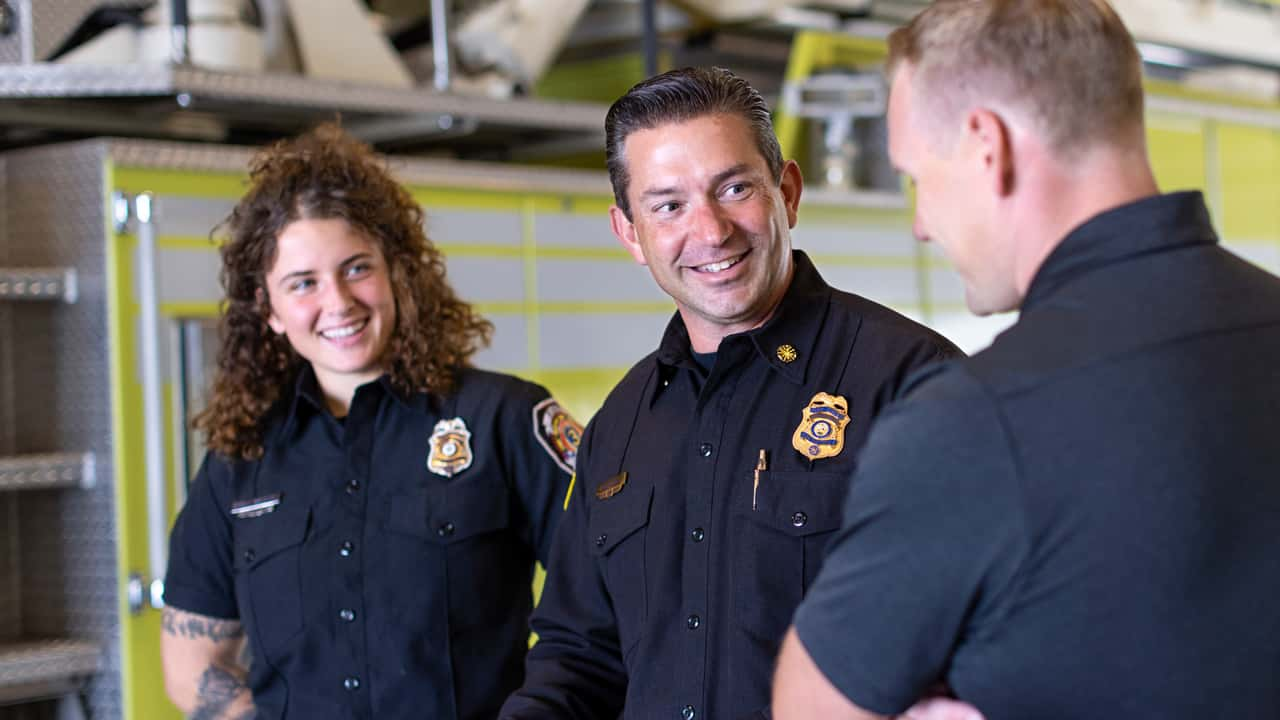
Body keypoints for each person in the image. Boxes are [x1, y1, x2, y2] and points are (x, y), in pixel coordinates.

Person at [773, 0, 1280, 718]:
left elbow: (812, 710)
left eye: (917, 177)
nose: (920, 225)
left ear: (988, 145)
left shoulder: (971, 423)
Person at [499, 66, 963, 720]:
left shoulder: (915, 382)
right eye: (668, 206)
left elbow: (987, 633)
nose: (712, 232)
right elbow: (580, 656)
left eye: (735, 188)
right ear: (630, 232)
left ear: (789, 192)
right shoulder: (621, 425)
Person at [160, 124, 579, 720]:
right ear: (269, 308)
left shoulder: (505, 420)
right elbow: (194, 663)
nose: (337, 302)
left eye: (356, 269)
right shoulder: (239, 458)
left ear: (397, 272)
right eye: (303, 283)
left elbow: (610, 603)